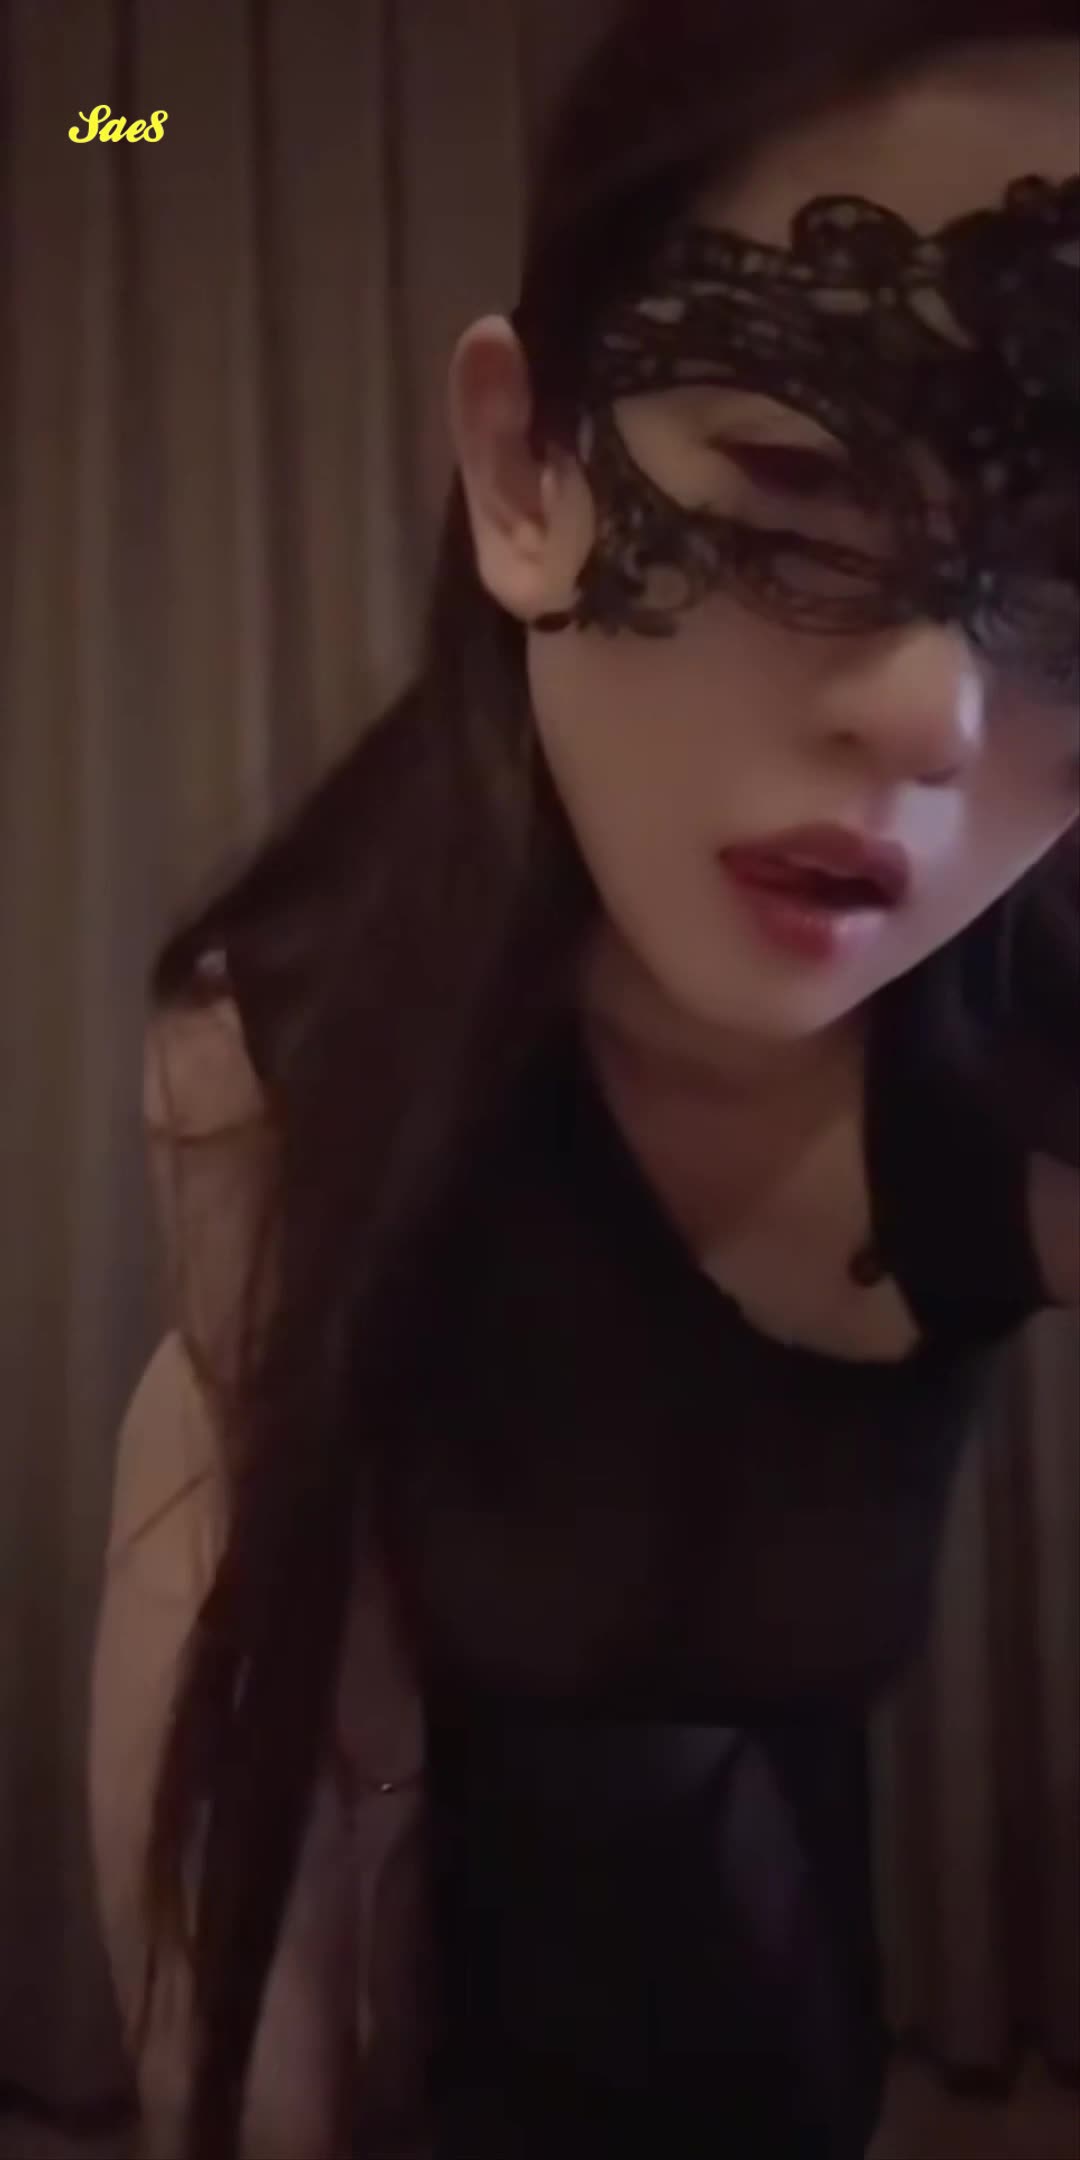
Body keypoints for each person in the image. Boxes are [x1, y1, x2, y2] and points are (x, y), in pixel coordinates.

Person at [89, 1, 1079, 2154]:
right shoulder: (291, 1051)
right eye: (797, 514)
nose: (933, 717)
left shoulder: (1024, 1069)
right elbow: (247, 1742)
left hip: (799, 2042)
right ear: (527, 478)